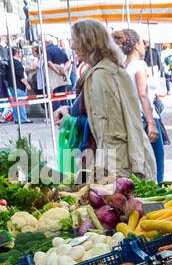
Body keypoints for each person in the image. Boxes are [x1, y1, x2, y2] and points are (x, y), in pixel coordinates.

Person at [62, 20, 152, 181]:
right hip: (109, 158)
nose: (73, 46)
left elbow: (113, 126)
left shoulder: (102, 75)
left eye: (75, 41)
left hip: (116, 162)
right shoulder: (101, 71)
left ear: (88, 42)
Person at [114, 28, 163, 182]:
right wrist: (151, 123)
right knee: (156, 165)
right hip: (145, 119)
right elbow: (143, 95)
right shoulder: (139, 65)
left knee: (140, 166)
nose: (144, 45)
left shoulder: (123, 66)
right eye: (142, 42)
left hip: (132, 121)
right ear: (136, 45)